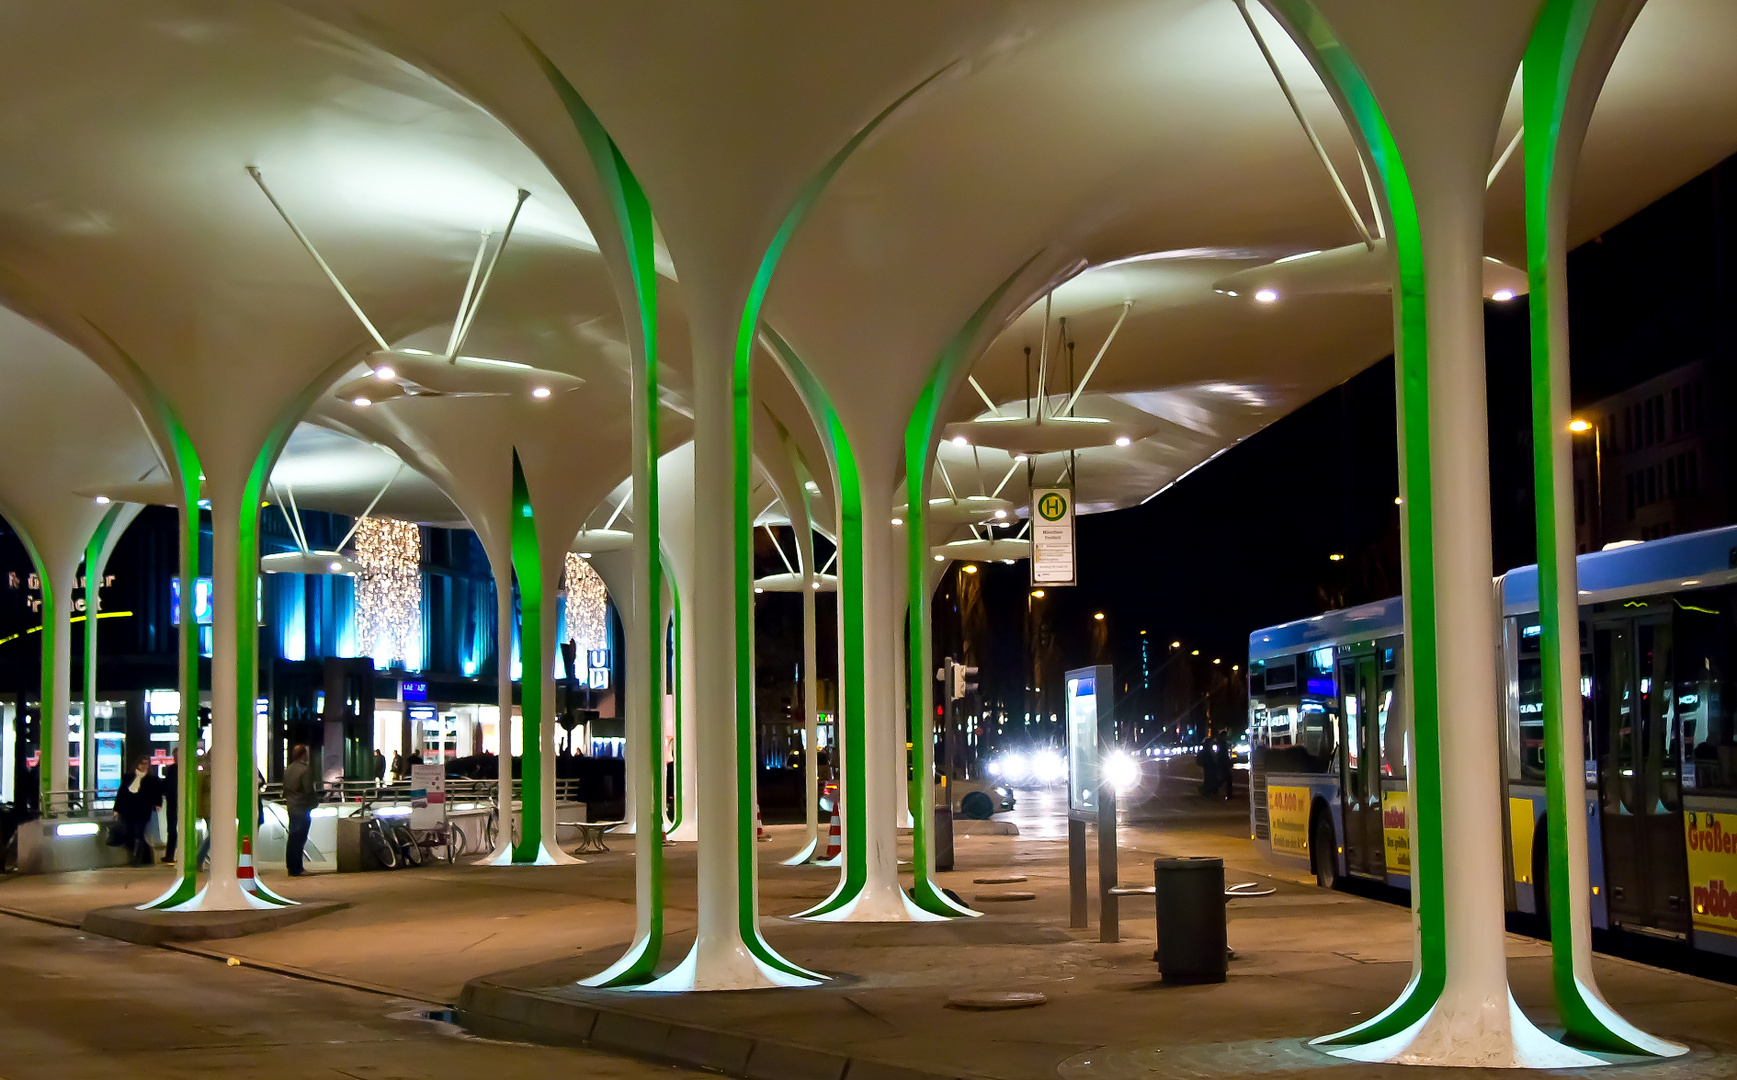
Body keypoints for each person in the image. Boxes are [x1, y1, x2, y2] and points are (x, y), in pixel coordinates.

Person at [111, 757, 160, 866]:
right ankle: (137, 857)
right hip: (128, 810)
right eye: (142, 763)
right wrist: (117, 809)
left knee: (139, 833)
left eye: (147, 764)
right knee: (129, 833)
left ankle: (140, 858)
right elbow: (122, 793)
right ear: (137, 764)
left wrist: (158, 804)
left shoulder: (152, 779)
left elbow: (157, 793)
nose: (144, 766)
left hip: (143, 810)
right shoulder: (128, 777)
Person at [281, 744, 319, 877]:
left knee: (292, 837)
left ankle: (291, 866)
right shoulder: (305, 770)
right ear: (303, 754)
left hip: (292, 807)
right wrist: (314, 804)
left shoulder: (288, 770)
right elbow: (308, 790)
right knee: (300, 838)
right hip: (302, 808)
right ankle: (298, 868)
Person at [160, 757, 179, 863]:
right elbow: (167, 785)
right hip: (172, 802)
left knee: (174, 829)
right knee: (171, 829)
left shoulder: (188, 769)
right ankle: (170, 854)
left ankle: (171, 854)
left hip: (178, 802)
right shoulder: (171, 769)